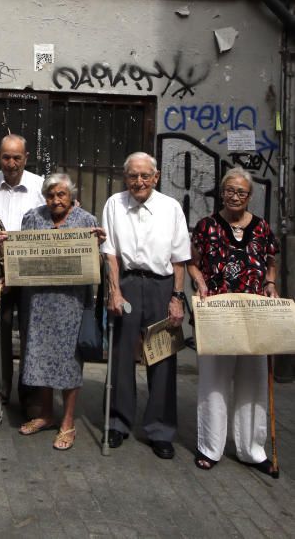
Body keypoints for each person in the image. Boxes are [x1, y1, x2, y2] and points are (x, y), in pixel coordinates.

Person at [188, 168, 279, 476]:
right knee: (214, 380)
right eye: (230, 191)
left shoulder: (263, 227)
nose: (235, 196)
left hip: (253, 313)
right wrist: (199, 282)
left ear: (249, 196)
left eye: (241, 192)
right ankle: (210, 448)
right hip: (219, 311)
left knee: (252, 381)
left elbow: (270, 262)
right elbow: (192, 263)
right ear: (222, 192)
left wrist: (270, 284)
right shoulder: (207, 226)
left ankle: (252, 450)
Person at [101, 151, 191, 459]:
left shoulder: (171, 207)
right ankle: (117, 422)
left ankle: (160, 430)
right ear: (125, 177)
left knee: (162, 359)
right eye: (132, 175)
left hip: (161, 286)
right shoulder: (114, 204)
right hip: (126, 283)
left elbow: (180, 259)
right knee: (121, 356)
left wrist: (177, 299)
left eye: (144, 176)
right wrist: (114, 292)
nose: (138, 181)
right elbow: (110, 253)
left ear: (156, 177)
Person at [18, 174, 104, 450]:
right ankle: (45, 414)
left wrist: (99, 245)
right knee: (40, 356)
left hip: (72, 302)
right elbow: (22, 254)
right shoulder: (33, 217)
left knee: (68, 360)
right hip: (39, 300)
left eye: (61, 194)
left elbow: (95, 261)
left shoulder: (86, 221)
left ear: (71, 196)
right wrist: (8, 244)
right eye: (51, 195)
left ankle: (67, 422)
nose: (56, 200)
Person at [0, 134, 44, 408]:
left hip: (30, 269)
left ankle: (30, 395)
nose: (11, 163)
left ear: (26, 158)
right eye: (6, 157)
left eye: (17, 157)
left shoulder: (39, 185)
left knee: (31, 332)